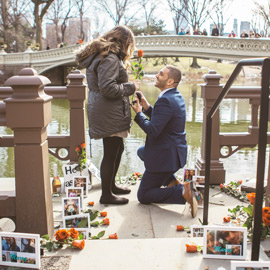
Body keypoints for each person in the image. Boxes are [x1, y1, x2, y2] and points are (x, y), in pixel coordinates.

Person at [76, 25, 137, 205]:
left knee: (117, 148)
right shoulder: (109, 58)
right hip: (108, 110)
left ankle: (111, 186)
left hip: (106, 109)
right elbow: (108, 88)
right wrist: (131, 87)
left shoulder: (104, 56)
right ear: (124, 42)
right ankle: (106, 195)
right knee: (111, 151)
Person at [131, 65, 198, 217]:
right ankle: (171, 181)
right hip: (175, 152)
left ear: (170, 81)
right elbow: (163, 119)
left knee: (144, 195)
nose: (156, 76)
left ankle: (182, 191)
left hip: (165, 157)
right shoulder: (174, 96)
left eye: (160, 74)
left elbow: (153, 130)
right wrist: (147, 108)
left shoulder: (166, 100)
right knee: (142, 152)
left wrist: (139, 114)